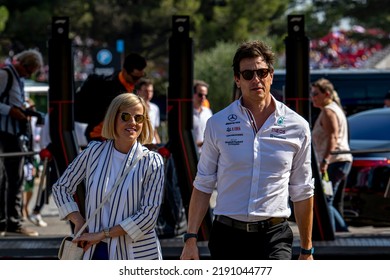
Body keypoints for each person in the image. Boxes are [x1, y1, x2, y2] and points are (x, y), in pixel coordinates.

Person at [180, 40, 315, 260]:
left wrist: (307, 250)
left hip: (274, 235)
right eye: (248, 74)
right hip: (227, 235)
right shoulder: (218, 123)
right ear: (237, 79)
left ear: (271, 75)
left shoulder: (297, 125)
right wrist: (190, 238)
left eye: (262, 72)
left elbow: (303, 189)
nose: (256, 80)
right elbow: (203, 183)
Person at [52, 93, 165, 260]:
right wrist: (78, 220)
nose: (132, 122)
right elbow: (61, 187)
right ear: (113, 118)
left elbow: (148, 216)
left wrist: (102, 234)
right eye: (125, 116)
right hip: (95, 251)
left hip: (136, 255)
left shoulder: (152, 161)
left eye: (139, 118)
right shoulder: (93, 152)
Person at [0, 49, 43, 237]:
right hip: (5, 132)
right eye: (30, 70)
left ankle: (10, 221)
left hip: (14, 133)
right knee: (8, 178)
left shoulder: (17, 77)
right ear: (23, 64)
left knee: (13, 179)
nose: (29, 74)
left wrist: (23, 109)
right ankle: (10, 222)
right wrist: (10, 111)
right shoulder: (5, 75)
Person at [74, 52, 147, 142]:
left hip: (120, 137)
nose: (137, 80)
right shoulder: (107, 86)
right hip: (100, 136)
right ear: (124, 71)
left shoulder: (134, 87)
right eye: (135, 78)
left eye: (141, 76)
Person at [311, 78, 352, 233]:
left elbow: (333, 137)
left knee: (326, 201)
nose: (312, 97)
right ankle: (342, 233)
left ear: (326, 94)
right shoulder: (333, 109)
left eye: (316, 94)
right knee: (331, 202)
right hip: (339, 160)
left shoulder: (328, 111)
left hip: (334, 160)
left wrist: (325, 161)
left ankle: (332, 236)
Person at [136, 78, 161, 145]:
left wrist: (158, 144)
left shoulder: (155, 108)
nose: (148, 93)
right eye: (146, 91)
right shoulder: (134, 108)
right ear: (138, 91)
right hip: (139, 144)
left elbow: (155, 131)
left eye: (151, 91)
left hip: (152, 145)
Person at [192, 80, 213, 155]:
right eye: (200, 95)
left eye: (206, 95)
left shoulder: (208, 112)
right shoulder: (186, 114)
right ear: (193, 94)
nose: (203, 98)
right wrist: (199, 144)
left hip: (206, 154)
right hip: (191, 155)